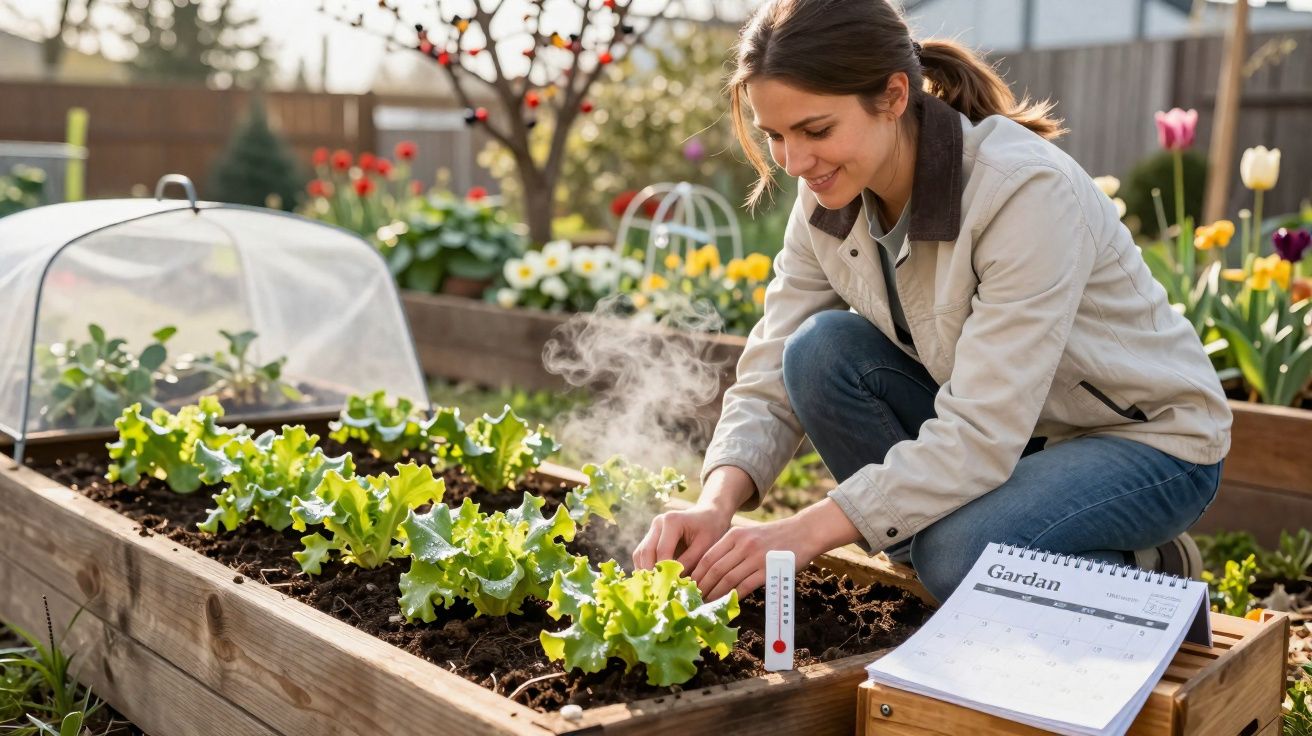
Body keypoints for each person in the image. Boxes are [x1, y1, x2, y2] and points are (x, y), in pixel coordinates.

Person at [631, 0, 1231, 605]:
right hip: (1015, 439)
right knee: (816, 350)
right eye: (775, 135)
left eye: (816, 130)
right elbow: (772, 366)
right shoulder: (826, 196)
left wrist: (804, 531)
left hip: (1143, 444)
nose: (794, 161)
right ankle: (949, 559)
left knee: (956, 555)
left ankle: (1154, 564)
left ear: (893, 96)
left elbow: (982, 429)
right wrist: (715, 504)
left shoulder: (1021, 192)